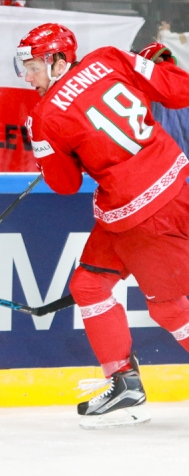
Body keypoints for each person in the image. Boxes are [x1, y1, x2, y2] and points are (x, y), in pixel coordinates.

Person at [15, 23, 189, 429]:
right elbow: (180, 91)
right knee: (89, 285)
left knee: (169, 308)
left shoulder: (44, 115)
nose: (28, 76)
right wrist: (154, 61)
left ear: (58, 60)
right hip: (173, 185)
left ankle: (125, 385)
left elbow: (64, 184)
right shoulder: (109, 58)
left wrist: (43, 150)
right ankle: (123, 383)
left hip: (141, 213)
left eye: (34, 66)